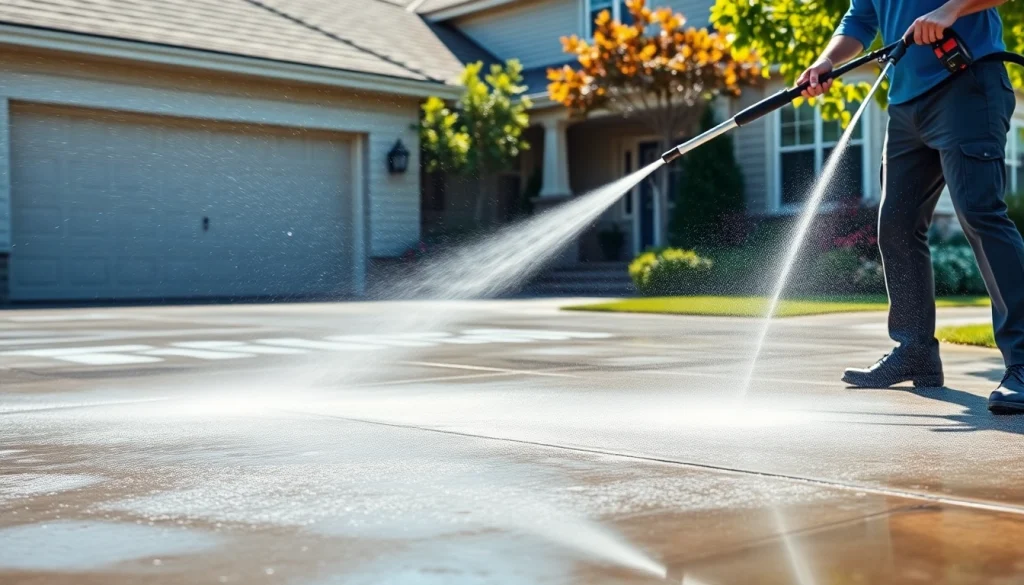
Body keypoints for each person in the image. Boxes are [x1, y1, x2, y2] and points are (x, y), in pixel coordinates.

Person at [798, 0, 1024, 413]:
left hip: (966, 80)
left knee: (978, 213)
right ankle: (914, 349)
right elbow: (861, 18)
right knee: (896, 226)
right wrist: (826, 60)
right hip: (905, 103)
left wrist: (951, 10)